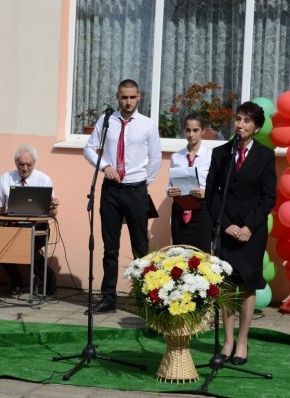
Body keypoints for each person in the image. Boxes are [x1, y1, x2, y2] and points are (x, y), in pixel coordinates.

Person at [205, 101, 277, 366]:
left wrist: (248, 227)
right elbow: (211, 196)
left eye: (247, 121)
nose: (240, 125)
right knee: (227, 284)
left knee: (246, 284)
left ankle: (242, 342)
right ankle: (227, 341)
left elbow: (268, 198)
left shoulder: (265, 156)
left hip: (252, 231)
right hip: (227, 229)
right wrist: (225, 225)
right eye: (238, 119)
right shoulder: (221, 153)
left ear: (256, 127)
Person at [84, 79, 162, 313]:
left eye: (132, 97)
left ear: (139, 98)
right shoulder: (107, 120)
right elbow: (89, 148)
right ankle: (108, 298)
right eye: (123, 97)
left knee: (140, 246)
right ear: (117, 97)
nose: (128, 102)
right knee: (110, 248)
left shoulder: (147, 124)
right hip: (110, 191)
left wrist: (140, 183)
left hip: (136, 191)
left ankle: (144, 298)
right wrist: (105, 166)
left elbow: (155, 158)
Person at [0, 144, 59, 296]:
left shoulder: (43, 179)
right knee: (0, 246)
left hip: (37, 227)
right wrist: (6, 209)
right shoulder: (5, 178)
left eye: (28, 165)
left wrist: (52, 206)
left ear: (34, 163)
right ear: (15, 163)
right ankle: (17, 283)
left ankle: (48, 279)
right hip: (13, 225)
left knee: (29, 249)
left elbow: (54, 212)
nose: (25, 168)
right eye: (21, 164)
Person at [167, 113, 212, 252]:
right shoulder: (176, 157)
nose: (191, 134)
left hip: (202, 211)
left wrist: (206, 192)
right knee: (180, 253)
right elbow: (170, 183)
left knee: (202, 254)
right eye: (188, 130)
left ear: (203, 131)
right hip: (180, 209)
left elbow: (219, 186)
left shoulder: (211, 156)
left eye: (195, 130)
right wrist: (169, 191)